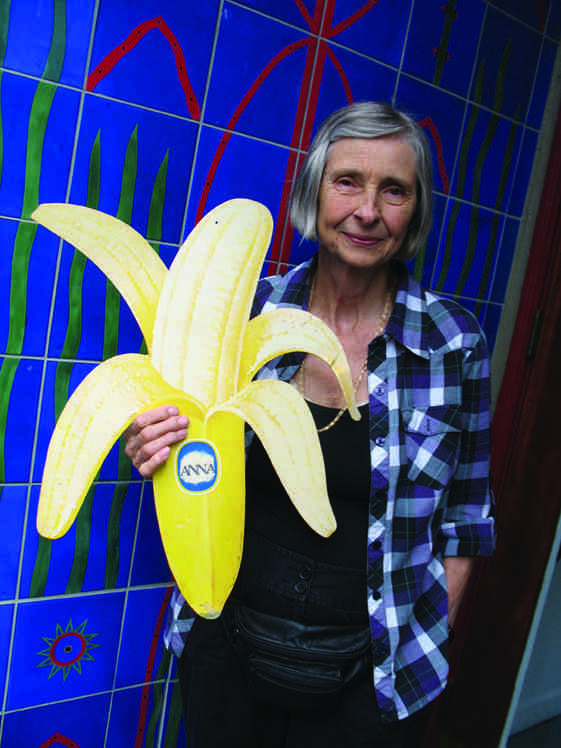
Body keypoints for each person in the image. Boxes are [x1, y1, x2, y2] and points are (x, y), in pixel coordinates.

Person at [124, 101, 495, 747]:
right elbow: (199, 467)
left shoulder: (451, 341)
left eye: (393, 190)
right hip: (227, 652)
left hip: (374, 678)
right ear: (312, 191)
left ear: (414, 213)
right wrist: (156, 446)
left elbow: (465, 519)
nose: (367, 211)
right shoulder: (242, 321)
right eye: (347, 180)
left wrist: (423, 635)